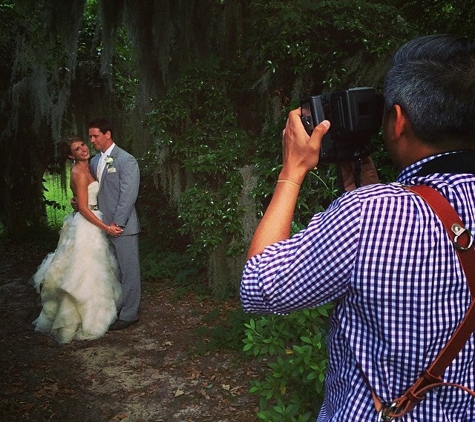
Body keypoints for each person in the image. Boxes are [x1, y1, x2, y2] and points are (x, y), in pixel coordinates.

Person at [240, 34, 475, 421]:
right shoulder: (376, 208)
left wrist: (292, 170)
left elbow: (260, 287)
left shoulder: (369, 215)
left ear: (398, 121)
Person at [31, 136, 123, 344]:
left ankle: (102, 309)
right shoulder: (78, 172)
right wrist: (106, 227)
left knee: (101, 268)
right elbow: (82, 207)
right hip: (87, 224)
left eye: (83, 145)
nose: (83, 149)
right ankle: (86, 318)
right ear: (70, 155)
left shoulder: (92, 165)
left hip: (97, 217)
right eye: (77, 149)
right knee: (85, 270)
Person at [88, 118, 141, 331]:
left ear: (107, 134)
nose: (92, 140)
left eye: (95, 136)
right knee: (113, 270)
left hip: (123, 227)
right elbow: (94, 189)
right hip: (101, 225)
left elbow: (128, 195)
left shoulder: (126, 160)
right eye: (90, 136)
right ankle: (116, 308)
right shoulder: (93, 161)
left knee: (129, 271)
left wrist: (117, 223)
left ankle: (130, 314)